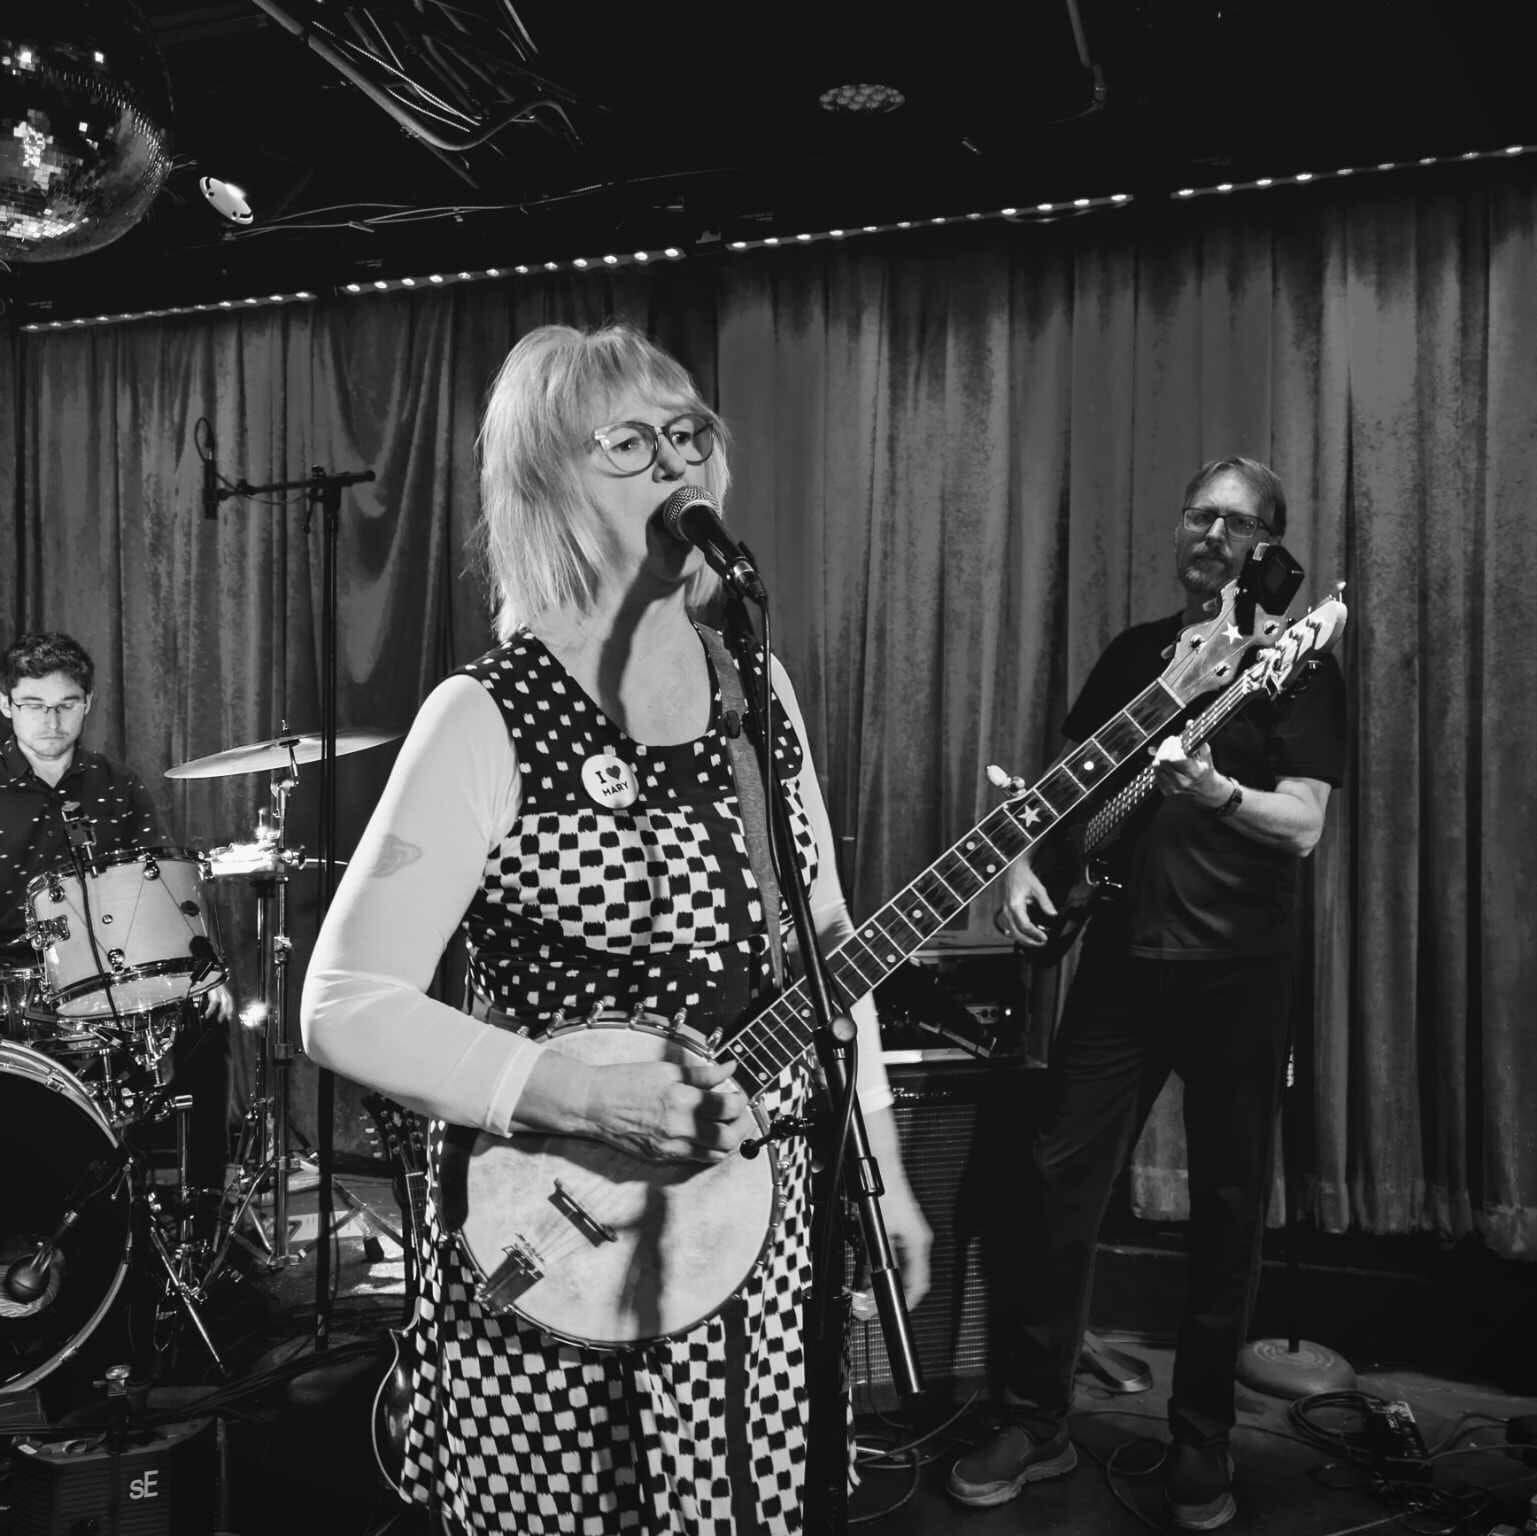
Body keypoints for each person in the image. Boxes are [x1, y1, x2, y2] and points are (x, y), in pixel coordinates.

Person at [301, 322, 932, 1535]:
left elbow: (825, 939)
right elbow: (344, 1004)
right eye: (628, 443)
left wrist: (885, 1172)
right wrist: (588, 1099)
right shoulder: (486, 714)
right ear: (548, 486)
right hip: (556, 1232)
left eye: (687, 433)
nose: (675, 462)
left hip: (752, 1229)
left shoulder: (756, 687)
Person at [949, 459, 1346, 1530]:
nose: (1210, 534)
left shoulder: (1297, 667)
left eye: (1235, 523)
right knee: (1055, 1190)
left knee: (1225, 1211)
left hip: (1240, 970)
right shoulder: (1135, 654)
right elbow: (1062, 787)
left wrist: (1215, 791)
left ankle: (1201, 1442)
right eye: (1198, 515)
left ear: (1267, 548)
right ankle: (1034, 1421)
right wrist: (1021, 866)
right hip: (1121, 961)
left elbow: (1303, 824)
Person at [0, 630, 234, 1183]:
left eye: (66, 704)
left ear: (88, 704)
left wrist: (203, 972)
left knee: (207, 1015)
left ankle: (201, 1207)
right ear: (6, 705)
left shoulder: (117, 784)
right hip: (11, 976)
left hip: (108, 974)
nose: (51, 720)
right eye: (33, 705)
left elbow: (163, 887)